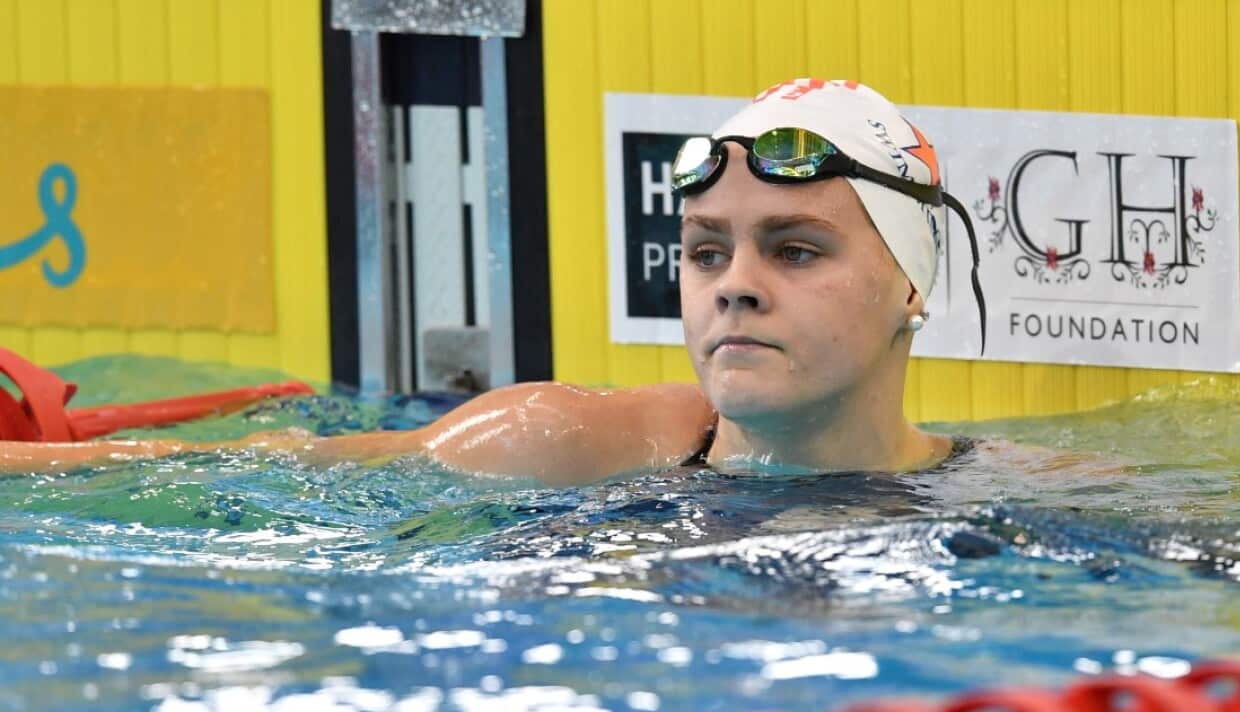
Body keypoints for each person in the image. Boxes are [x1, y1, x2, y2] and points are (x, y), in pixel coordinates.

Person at [0, 79, 991, 486]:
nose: (733, 286)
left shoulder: (1013, 494)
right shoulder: (563, 441)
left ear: (911, 286)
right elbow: (268, 466)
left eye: (794, 250)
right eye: (703, 251)